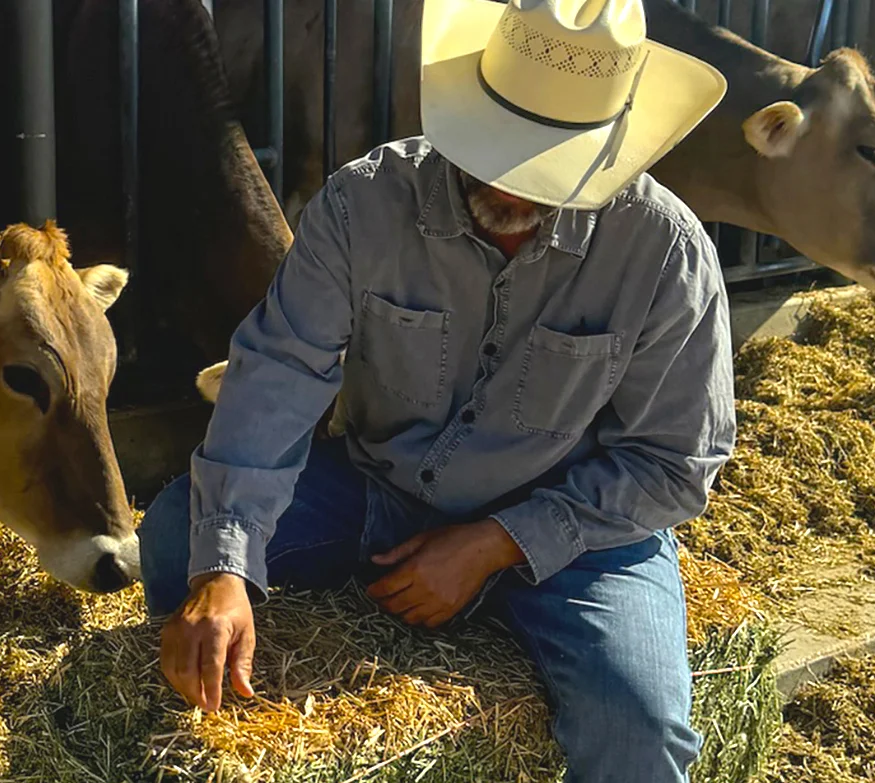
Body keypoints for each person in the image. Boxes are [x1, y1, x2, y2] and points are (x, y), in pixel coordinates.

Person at [135, 0, 736, 780]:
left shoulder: (663, 251)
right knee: (180, 532)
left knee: (641, 726)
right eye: (500, 146)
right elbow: (278, 370)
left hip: (574, 532)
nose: (514, 182)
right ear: (468, 108)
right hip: (379, 487)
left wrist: (495, 542)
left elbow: (674, 463)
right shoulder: (363, 204)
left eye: (547, 161)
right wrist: (223, 568)